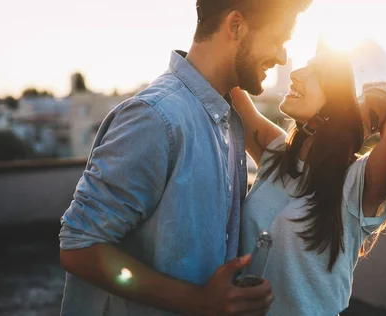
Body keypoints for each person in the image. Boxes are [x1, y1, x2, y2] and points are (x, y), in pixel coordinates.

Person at [58, 0, 313, 315]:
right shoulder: (156, 118)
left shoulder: (228, 120)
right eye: (278, 39)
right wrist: (199, 302)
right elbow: (79, 247)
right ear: (235, 26)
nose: (282, 55)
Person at [231, 46, 386, 315]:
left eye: (316, 72)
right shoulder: (277, 154)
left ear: (342, 102)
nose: (296, 74)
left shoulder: (357, 185)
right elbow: (228, 85)